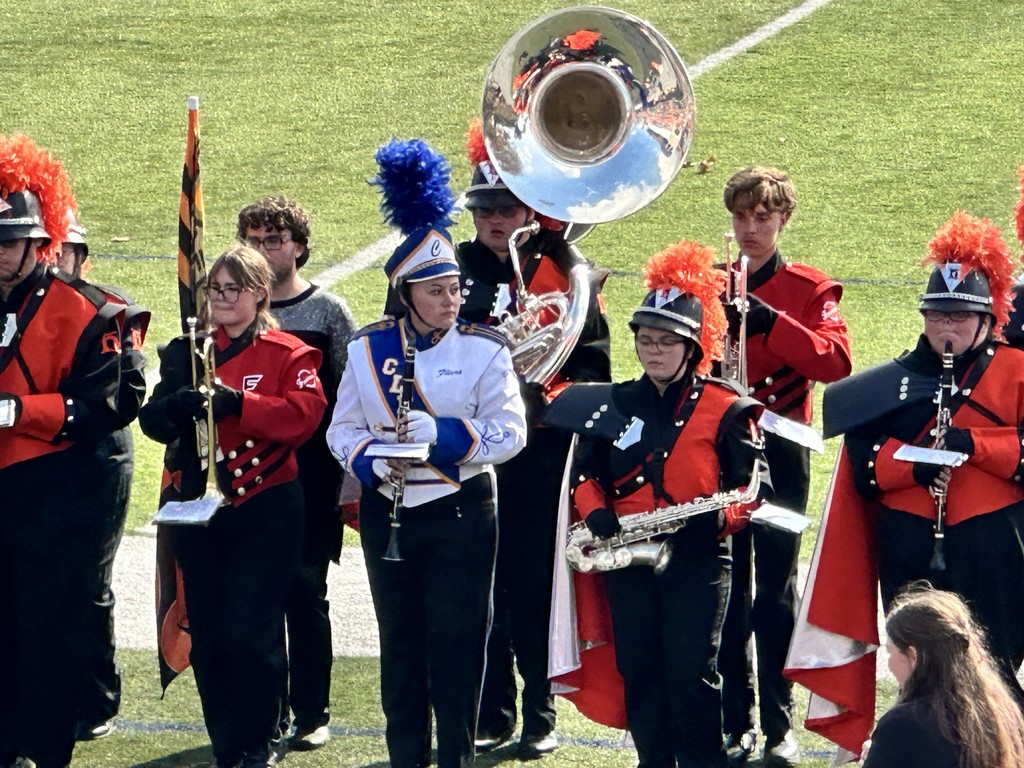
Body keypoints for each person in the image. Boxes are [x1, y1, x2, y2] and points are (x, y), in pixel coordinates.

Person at [785, 211, 1024, 759]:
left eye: (961, 317)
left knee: (997, 668)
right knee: (916, 670)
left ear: (988, 320)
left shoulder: (1016, 371)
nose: (947, 327)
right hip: (910, 542)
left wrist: (978, 446)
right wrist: (911, 468)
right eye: (937, 314)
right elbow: (863, 468)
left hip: (993, 546)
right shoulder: (890, 382)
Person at [327, 138, 526, 768]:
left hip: (462, 511)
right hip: (392, 512)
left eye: (454, 288)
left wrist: (440, 438)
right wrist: (372, 461)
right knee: (402, 648)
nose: (451, 298)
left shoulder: (486, 350)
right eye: (436, 289)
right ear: (406, 294)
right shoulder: (367, 349)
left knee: (458, 646)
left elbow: (510, 433)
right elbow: (341, 429)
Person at [551, 241, 770, 768]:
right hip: (628, 558)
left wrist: (717, 520)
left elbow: (753, 489)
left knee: (692, 671)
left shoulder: (727, 407)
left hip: (697, 559)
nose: (653, 351)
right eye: (645, 341)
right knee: (640, 669)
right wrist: (595, 509)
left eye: (666, 342)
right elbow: (585, 471)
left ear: (693, 347)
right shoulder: (613, 401)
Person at [139, 244, 327, 768]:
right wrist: (176, 406)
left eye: (232, 289)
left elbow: (304, 417)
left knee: (250, 631)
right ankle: (227, 744)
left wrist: (241, 404)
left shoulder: (288, 353)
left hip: (267, 508)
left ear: (260, 294)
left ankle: (261, 735)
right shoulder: (187, 351)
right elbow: (153, 422)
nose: (220, 299)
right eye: (214, 289)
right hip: (201, 510)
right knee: (211, 635)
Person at [457, 119, 611, 759]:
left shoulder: (562, 269)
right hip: (463, 451)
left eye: (508, 206)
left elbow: (596, 367)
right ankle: (488, 710)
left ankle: (539, 712)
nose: (496, 218)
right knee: (474, 582)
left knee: (532, 585)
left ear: (529, 205)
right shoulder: (444, 267)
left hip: (537, 456)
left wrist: (540, 394)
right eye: (485, 207)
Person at [716, 166, 852, 764]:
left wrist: (770, 320)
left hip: (783, 453)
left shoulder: (808, 288)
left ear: (783, 220)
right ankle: (733, 719)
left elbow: (835, 360)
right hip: (717, 451)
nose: (750, 229)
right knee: (723, 588)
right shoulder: (710, 281)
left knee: (774, 591)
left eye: (762, 218)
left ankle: (777, 720)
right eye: (741, 217)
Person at [0, 134, 124, 768]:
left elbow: (113, 400)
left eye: (9, 243)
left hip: (58, 492)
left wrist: (25, 411)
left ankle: (46, 750)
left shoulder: (89, 310)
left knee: (48, 626)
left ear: (36, 241)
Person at [237, 196, 357, 751]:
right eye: (253, 241)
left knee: (306, 592)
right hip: (244, 479)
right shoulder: (231, 310)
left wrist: (346, 479)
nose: (262, 251)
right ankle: (267, 710)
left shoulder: (328, 313)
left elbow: (350, 400)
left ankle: (312, 710)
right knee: (256, 597)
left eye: (274, 241)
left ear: (300, 248)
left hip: (310, 478)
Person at [59, 211, 151, 742]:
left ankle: (95, 697)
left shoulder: (108, 310)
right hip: (36, 462)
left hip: (96, 461)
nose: (54, 261)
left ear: (81, 256)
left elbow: (118, 398)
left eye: (63, 251)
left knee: (87, 582)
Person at [862, 586, 1024, 768]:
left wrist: (880, 753)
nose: (890, 664)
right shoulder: (1000, 712)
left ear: (913, 656)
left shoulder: (901, 724)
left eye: (890, 652)